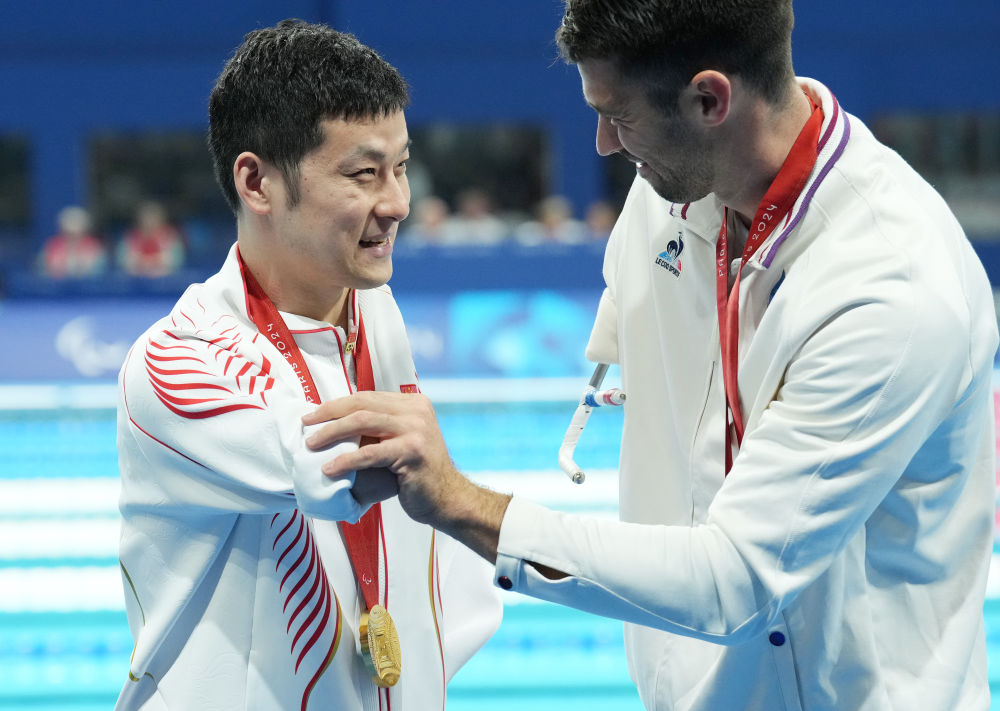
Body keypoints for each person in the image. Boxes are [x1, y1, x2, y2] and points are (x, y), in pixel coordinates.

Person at [301, 2, 999, 710]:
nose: (604, 143)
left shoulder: (891, 291)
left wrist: (460, 501)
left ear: (709, 100)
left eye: (619, 116)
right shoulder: (672, 186)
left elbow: (735, 580)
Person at [114, 19, 501, 711]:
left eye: (402, 167)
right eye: (364, 174)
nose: (398, 203)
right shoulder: (174, 361)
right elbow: (325, 463)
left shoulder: (373, 309)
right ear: (257, 182)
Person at [116, 200, 186, 277]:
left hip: (165, 279)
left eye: (153, 218)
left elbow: (175, 261)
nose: (149, 222)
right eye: (146, 218)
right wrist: (145, 263)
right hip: (136, 279)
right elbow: (124, 261)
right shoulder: (130, 238)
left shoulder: (170, 237)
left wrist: (150, 262)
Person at [38, 205, 107, 278]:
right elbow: (42, 272)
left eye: (76, 232)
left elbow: (99, 273)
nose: (72, 236)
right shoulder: (51, 247)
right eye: (68, 233)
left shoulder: (94, 248)